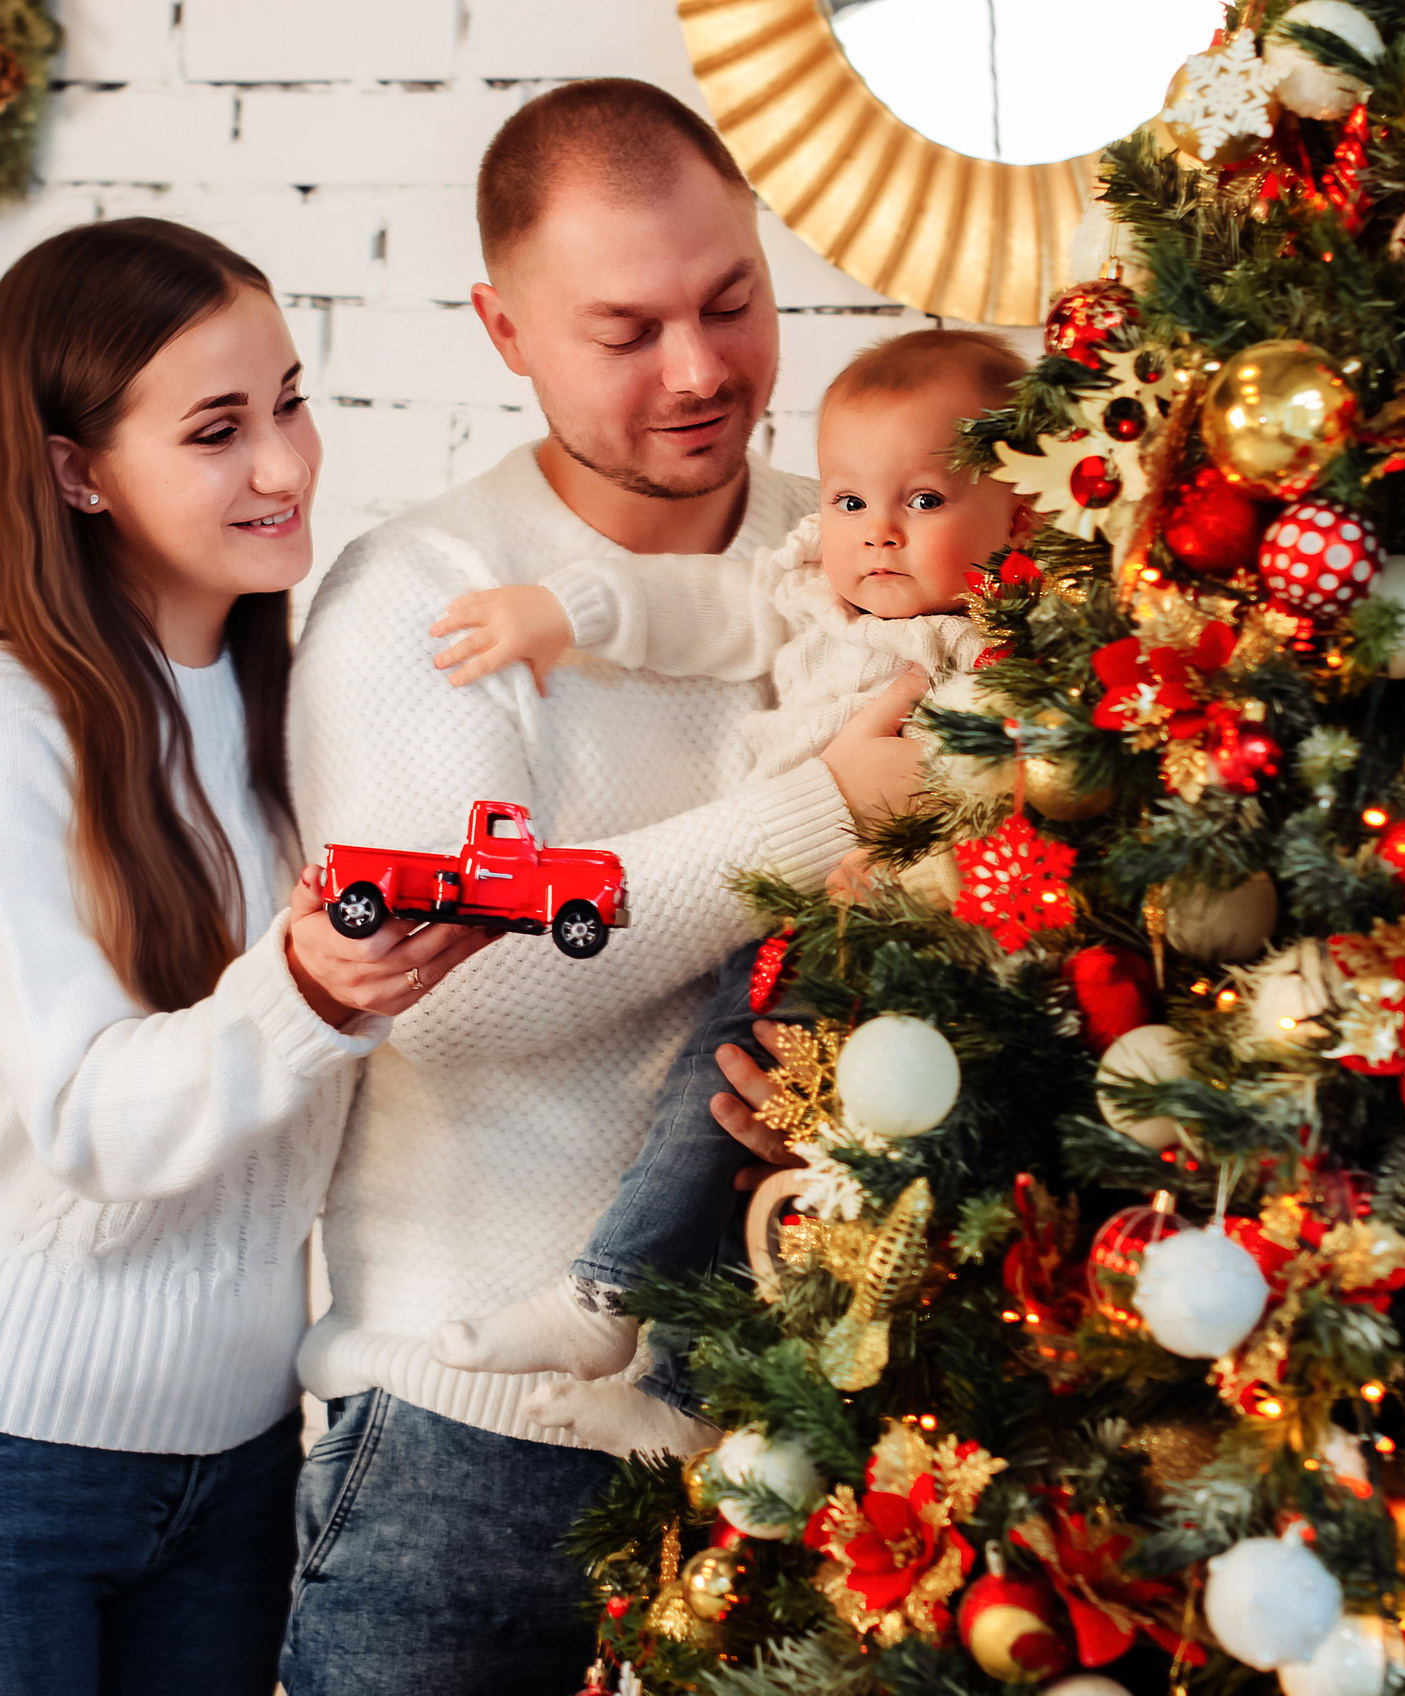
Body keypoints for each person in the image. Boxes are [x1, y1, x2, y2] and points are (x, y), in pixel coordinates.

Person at [279, 81, 932, 1695]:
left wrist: (860, 1105)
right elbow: (467, 988)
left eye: (731, 301)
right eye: (627, 330)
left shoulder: (856, 558)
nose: (702, 370)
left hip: (782, 1452)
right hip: (468, 1449)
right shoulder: (426, 599)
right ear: (505, 330)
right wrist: (821, 804)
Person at [0, 218, 495, 1696]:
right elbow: (91, 1117)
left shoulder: (285, 708)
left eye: (290, 402)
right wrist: (308, 992)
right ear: (75, 469)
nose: (288, 466)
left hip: (234, 1463)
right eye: (218, 430)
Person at [424, 329, 1032, 1390]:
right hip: (787, 923)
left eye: (923, 501)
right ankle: (638, 1342)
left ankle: (616, 1313)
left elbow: (1009, 805)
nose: (876, 533)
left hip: (917, 955)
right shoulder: (806, 592)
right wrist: (566, 611)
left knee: (828, 1183)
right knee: (719, 1119)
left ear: (1017, 513)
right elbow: (688, 607)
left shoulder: (995, 656)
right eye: (848, 501)